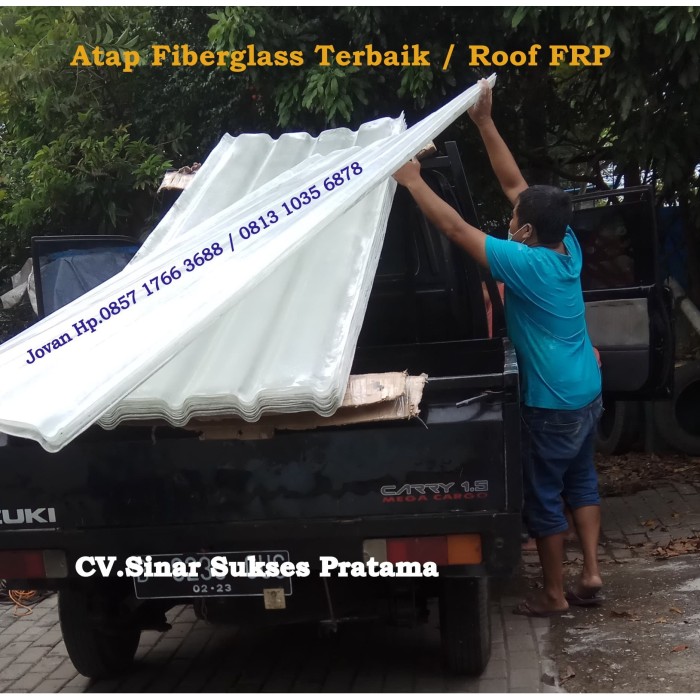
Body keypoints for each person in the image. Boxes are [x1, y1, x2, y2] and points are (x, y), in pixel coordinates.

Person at [393, 79, 604, 617]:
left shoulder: (525, 263)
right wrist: (484, 121)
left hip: (552, 403)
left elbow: (456, 230)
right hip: (587, 391)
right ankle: (591, 573)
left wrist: (411, 179)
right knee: (582, 480)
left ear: (527, 231)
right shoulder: (565, 245)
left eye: (514, 220)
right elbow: (515, 185)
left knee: (545, 496)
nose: (509, 222)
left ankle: (554, 595)